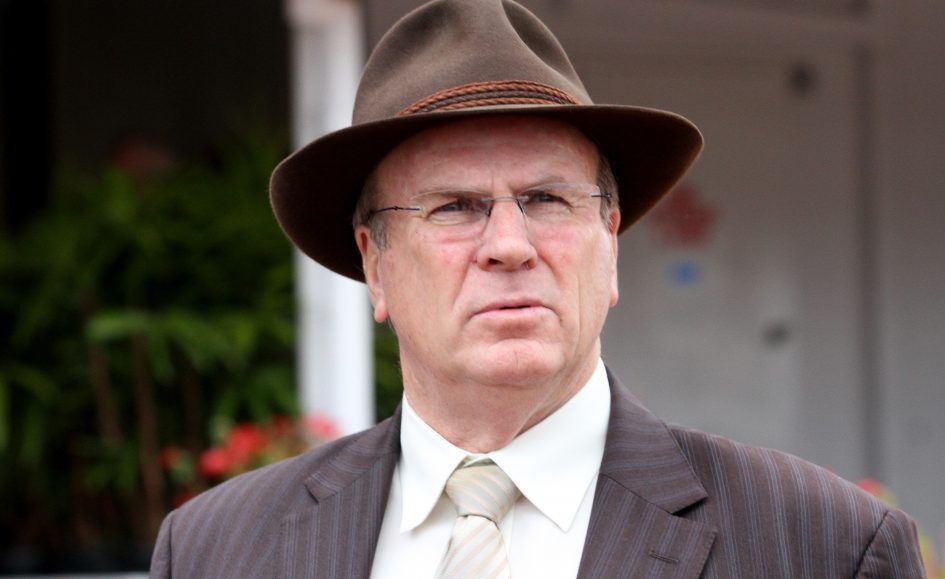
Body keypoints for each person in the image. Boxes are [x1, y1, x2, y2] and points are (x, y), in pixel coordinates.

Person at [150, 0, 926, 577]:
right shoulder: (217, 551)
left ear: (609, 243)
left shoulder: (822, 547)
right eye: (454, 206)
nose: (510, 244)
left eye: (547, 199)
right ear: (374, 264)